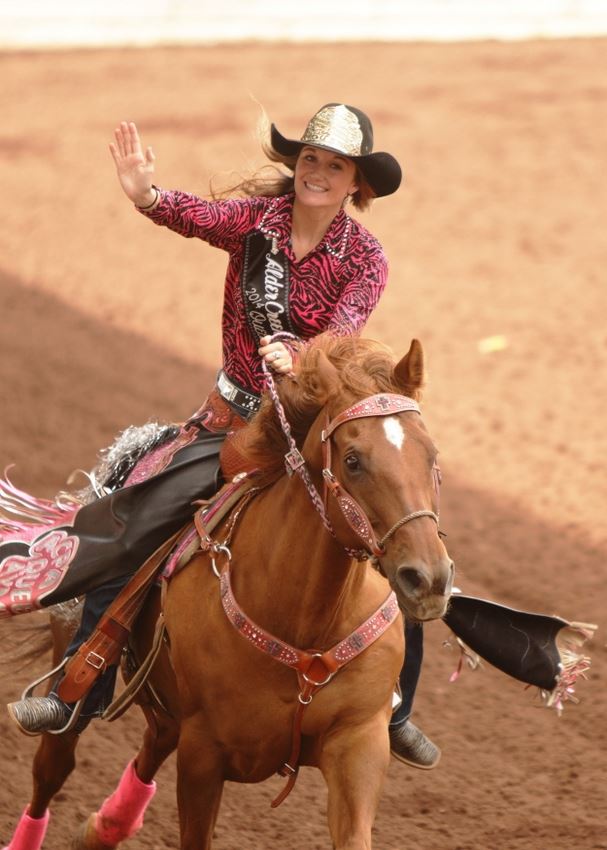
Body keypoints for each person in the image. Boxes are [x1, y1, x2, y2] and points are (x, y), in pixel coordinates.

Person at [2, 103, 438, 768]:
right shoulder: (255, 224)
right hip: (231, 421)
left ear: (357, 184)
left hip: (310, 424)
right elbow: (194, 216)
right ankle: (77, 687)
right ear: (298, 167)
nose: (317, 173)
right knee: (134, 516)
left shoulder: (366, 259)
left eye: (335, 165)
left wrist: (297, 355)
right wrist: (146, 193)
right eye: (310, 160)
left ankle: (395, 707)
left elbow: (343, 329)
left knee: (407, 530)